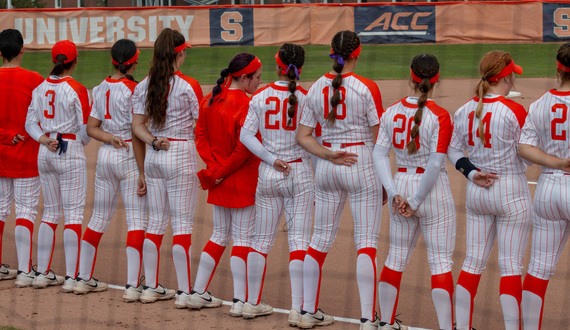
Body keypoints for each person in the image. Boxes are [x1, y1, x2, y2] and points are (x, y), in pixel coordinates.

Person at [296, 30, 384, 330]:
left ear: (332, 52)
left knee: (318, 240)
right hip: (362, 164)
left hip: (327, 166)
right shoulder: (366, 87)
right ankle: (368, 319)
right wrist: (385, 180)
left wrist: (327, 154)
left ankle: (307, 312)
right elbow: (379, 140)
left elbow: (303, 137)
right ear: (357, 53)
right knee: (367, 243)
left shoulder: (314, 88)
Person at [373, 54, 458, 330]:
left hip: (401, 183)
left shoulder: (391, 111)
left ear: (410, 78)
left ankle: (385, 323)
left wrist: (394, 192)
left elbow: (379, 154)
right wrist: (416, 200)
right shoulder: (441, 116)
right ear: (436, 79)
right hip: (431, 191)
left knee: (395, 256)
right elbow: (435, 163)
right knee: (441, 261)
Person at [447, 50, 530, 330]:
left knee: (472, 262)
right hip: (511, 191)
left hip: (477, 190)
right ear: (505, 78)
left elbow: (453, 149)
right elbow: (528, 155)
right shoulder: (515, 111)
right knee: (510, 267)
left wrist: (471, 172)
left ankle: (462, 326)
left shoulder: (463, 110)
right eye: (511, 75)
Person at [239, 43, 312, 324]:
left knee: (260, 241)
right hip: (298, 174)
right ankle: (298, 310)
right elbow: (312, 144)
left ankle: (251, 303)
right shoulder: (307, 98)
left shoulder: (259, 95)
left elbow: (246, 137)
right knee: (299, 242)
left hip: (268, 174)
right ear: (300, 68)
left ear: (278, 65)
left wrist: (270, 159)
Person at [131, 28, 202, 307]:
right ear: (179, 53)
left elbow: (137, 126)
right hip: (181, 154)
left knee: (155, 224)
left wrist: (153, 141)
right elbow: (202, 126)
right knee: (183, 225)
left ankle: (150, 287)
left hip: (155, 156)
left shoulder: (143, 85)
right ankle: (185, 292)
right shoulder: (188, 86)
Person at [73, 39, 147, 300]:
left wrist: (108, 138)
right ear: (133, 61)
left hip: (105, 156)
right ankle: (132, 286)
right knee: (137, 221)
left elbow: (92, 128)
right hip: (128, 155)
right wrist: (142, 170)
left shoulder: (100, 87)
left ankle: (82, 279)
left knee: (98, 219)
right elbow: (138, 134)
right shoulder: (135, 89)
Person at [189, 53, 262, 315]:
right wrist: (222, 170)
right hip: (241, 178)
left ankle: (197, 292)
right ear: (243, 77)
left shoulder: (208, 99)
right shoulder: (248, 103)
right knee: (243, 238)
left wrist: (214, 168)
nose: (259, 83)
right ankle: (241, 301)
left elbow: (199, 134)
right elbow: (245, 148)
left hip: (218, 177)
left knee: (219, 235)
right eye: (256, 78)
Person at [25, 39, 91, 292]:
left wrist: (44, 139)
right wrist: (77, 145)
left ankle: (42, 273)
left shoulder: (40, 87)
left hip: (45, 150)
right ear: (74, 62)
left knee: (50, 213)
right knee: (73, 214)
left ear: (55, 60)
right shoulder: (77, 88)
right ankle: (73, 277)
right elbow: (84, 129)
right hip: (69, 150)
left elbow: (30, 123)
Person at [518, 42, 570, 330]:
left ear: (557, 67)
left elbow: (524, 148)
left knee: (538, 268)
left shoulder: (539, 104)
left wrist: (558, 163)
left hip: (548, 189)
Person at [0, 28, 44, 285]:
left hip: (1, 155)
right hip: (27, 154)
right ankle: (26, 271)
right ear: (22, 50)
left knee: (0, 210)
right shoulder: (34, 79)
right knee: (26, 210)